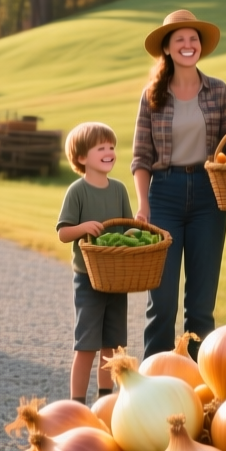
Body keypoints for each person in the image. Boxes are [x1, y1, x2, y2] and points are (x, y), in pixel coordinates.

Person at [132, 10, 226, 359]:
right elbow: (141, 157)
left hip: (209, 197)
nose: (188, 45)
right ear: (168, 48)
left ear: (200, 47)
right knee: (160, 304)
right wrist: (143, 204)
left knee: (201, 306)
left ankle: (196, 384)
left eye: (193, 39)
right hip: (164, 196)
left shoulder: (219, 91)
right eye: (180, 40)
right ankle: (152, 381)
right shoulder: (152, 96)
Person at [56, 122, 132, 404]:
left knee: (112, 347)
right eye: (101, 147)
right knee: (86, 345)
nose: (109, 152)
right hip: (88, 278)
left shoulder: (120, 190)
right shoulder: (77, 191)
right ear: (81, 158)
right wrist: (84, 227)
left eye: (111, 147)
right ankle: (76, 404)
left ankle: (104, 403)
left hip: (117, 279)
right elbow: (63, 233)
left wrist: (141, 230)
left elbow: (128, 229)